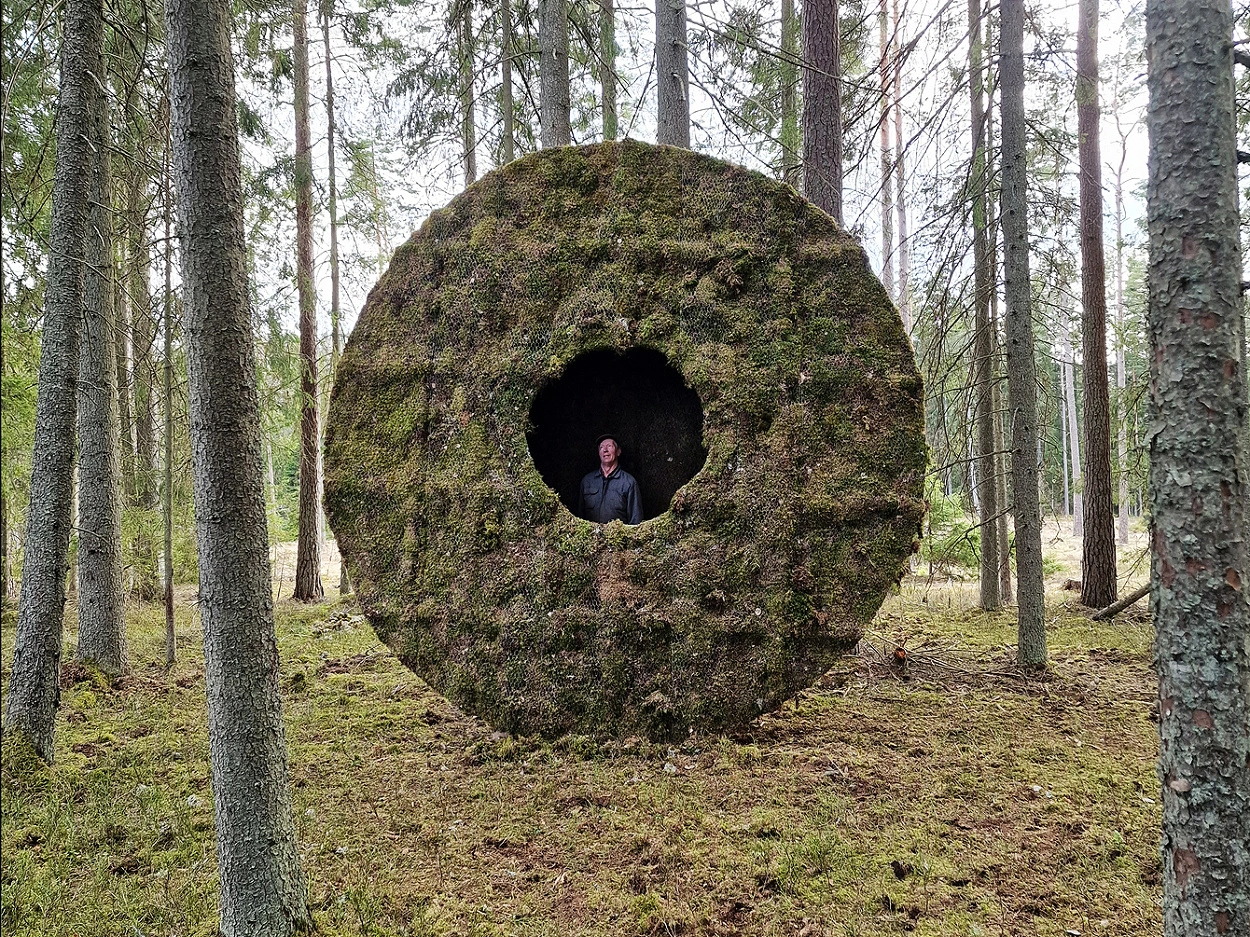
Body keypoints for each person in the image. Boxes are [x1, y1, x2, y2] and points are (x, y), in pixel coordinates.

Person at [579, 434, 643, 524]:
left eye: (609, 446)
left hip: (619, 537)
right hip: (591, 537)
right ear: (599, 453)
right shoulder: (587, 481)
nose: (605, 450)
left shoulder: (629, 482)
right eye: (601, 447)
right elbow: (579, 518)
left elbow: (636, 521)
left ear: (618, 452)